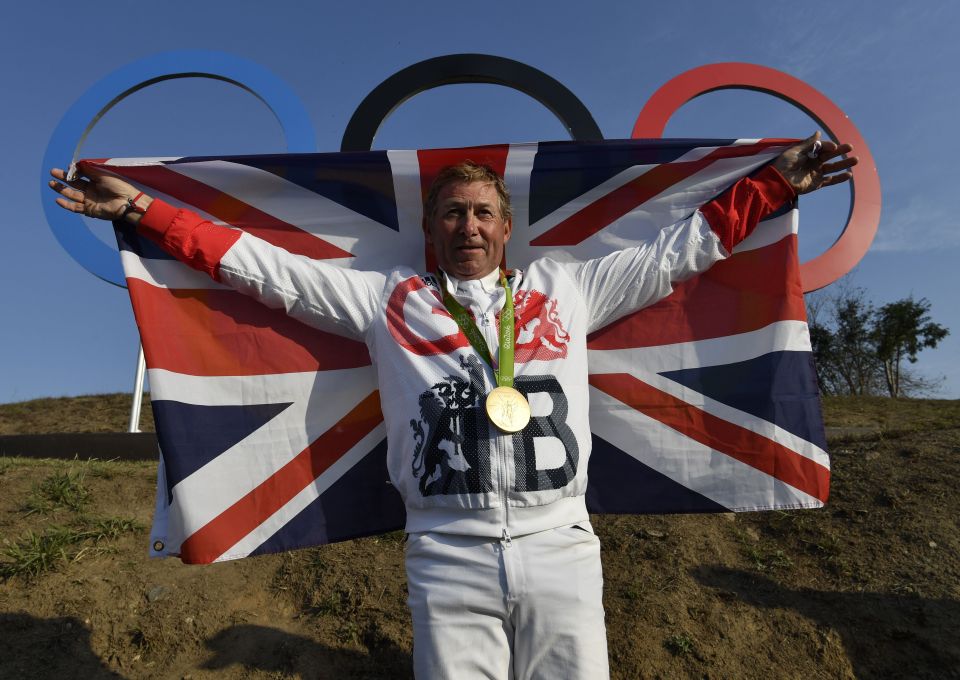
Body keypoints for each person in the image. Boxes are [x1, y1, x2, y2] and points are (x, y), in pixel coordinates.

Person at [50, 133, 856, 679]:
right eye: (452, 214)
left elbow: (679, 252)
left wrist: (775, 184)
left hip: (560, 544)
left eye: (481, 214)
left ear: (507, 227)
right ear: (431, 228)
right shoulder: (384, 299)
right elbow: (263, 267)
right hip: (445, 552)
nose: (467, 226)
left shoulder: (566, 289)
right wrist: (143, 210)